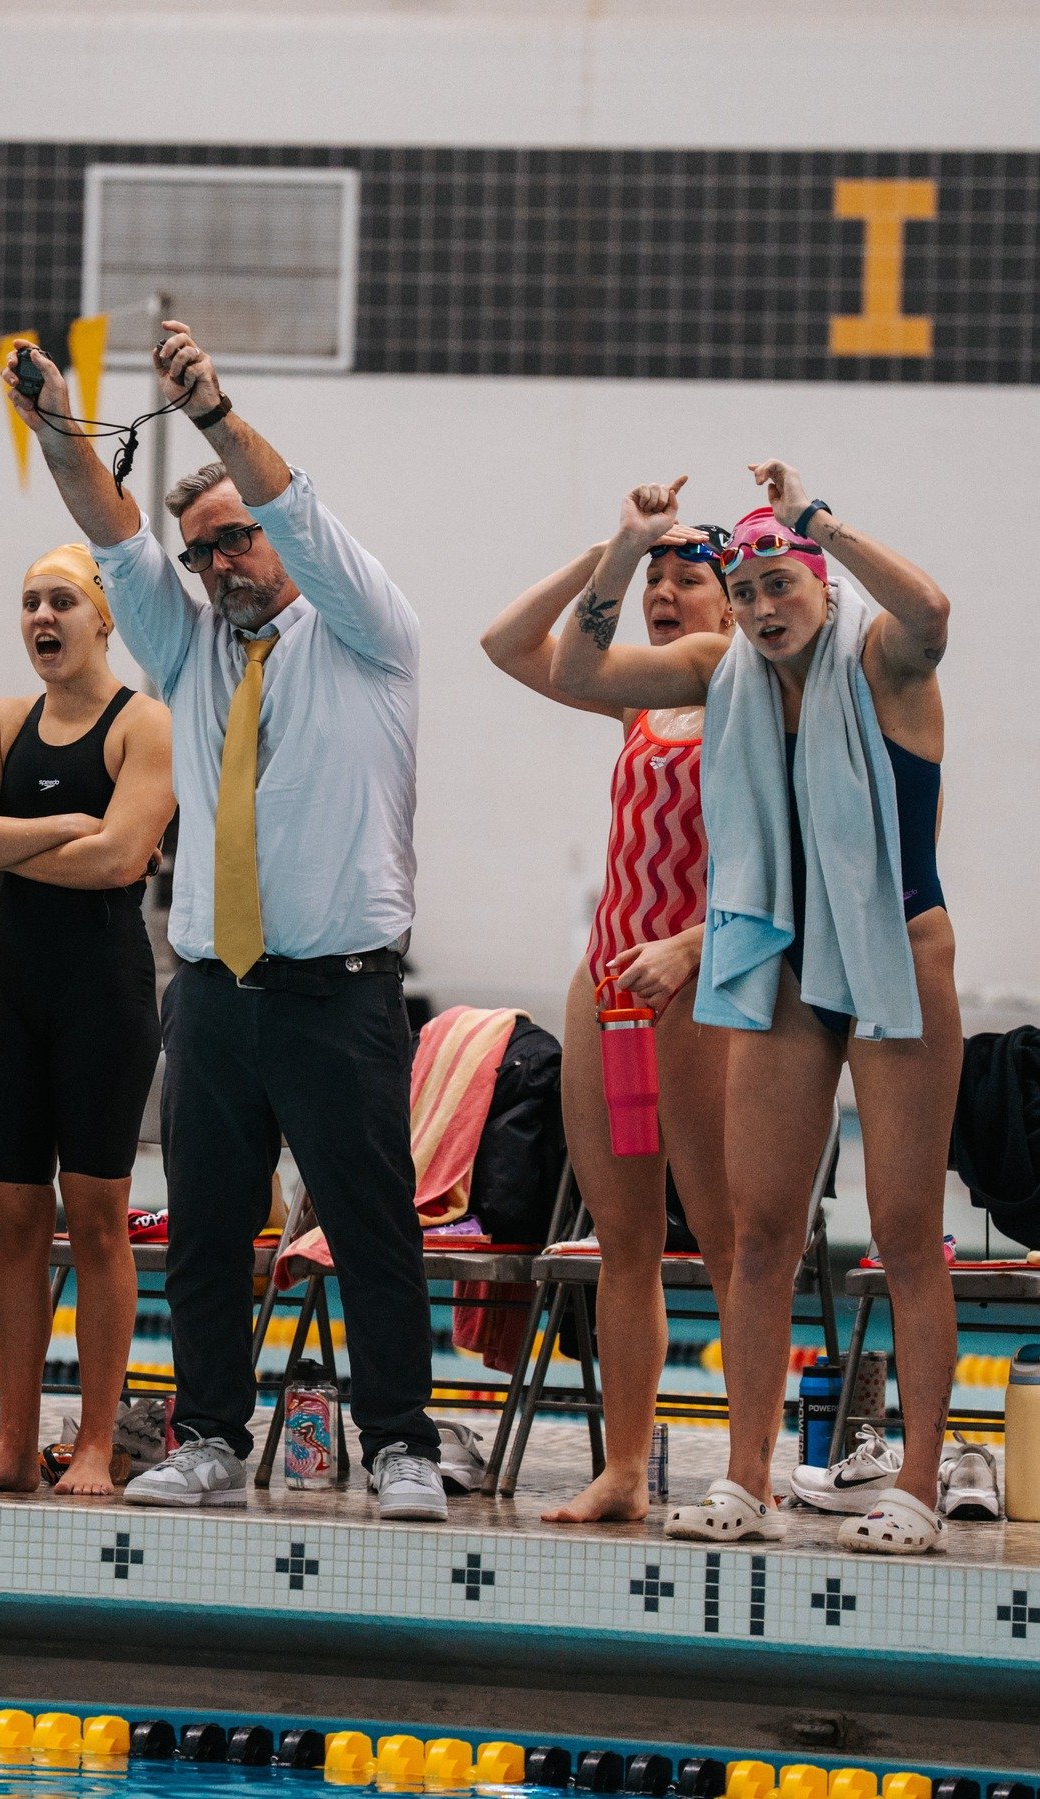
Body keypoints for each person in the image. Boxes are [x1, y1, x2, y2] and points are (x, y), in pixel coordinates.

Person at [3, 322, 447, 1521]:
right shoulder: (191, 651)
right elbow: (108, 527)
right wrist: (53, 420)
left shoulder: (367, 636)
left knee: (367, 1223)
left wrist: (208, 411)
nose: (218, 566)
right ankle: (205, 1429)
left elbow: (292, 505)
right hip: (210, 989)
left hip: (338, 989)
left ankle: (400, 1438)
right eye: (200, 554)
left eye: (233, 540)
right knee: (203, 1223)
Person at [553, 467, 959, 1555]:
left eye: (784, 581)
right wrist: (622, 545)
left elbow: (929, 610)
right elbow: (576, 662)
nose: (768, 605)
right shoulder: (729, 678)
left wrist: (821, 520)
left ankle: (914, 1480)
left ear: (819, 587)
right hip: (785, 965)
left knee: (904, 1233)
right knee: (759, 1235)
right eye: (752, 589)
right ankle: (745, 1475)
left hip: (894, 953)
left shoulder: (879, 663)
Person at [482, 518, 735, 1523]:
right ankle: (623, 1468)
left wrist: (697, 947)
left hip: (701, 989)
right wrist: (610, 553)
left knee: (727, 1238)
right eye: (654, 582)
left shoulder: (746, 705)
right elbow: (505, 644)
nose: (662, 594)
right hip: (608, 987)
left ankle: (744, 1464)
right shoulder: (637, 704)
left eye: (685, 579)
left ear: (729, 603)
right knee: (622, 1237)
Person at [0, 543, 173, 1497]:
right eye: (31, 601)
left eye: (63, 601)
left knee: (99, 1220)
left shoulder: (142, 724)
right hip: (12, 993)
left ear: (102, 618)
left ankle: (91, 1445)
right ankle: (12, 1443)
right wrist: (60, 830)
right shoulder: (1, 720)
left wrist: (18, 842)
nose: (44, 617)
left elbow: (121, 861)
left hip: (104, 998)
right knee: (15, 1217)